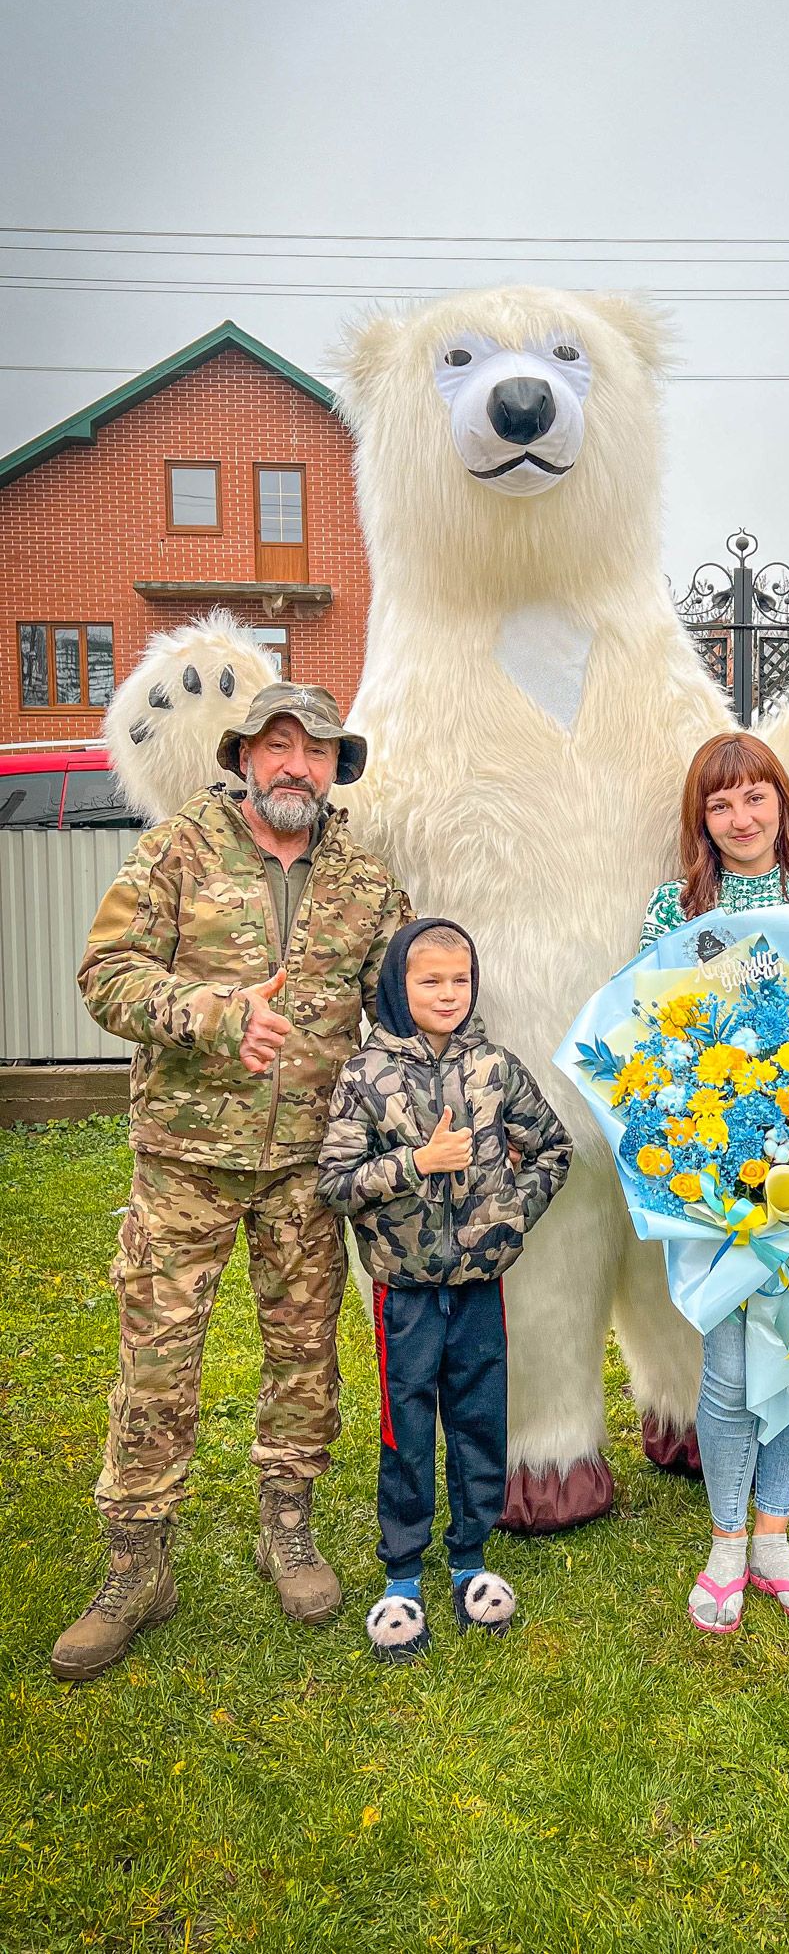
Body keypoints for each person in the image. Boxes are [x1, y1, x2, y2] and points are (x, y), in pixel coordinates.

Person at [52, 683, 411, 1683]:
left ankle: (285, 1530)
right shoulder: (178, 848)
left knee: (303, 1361)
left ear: (338, 768)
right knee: (159, 1363)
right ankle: (137, 1566)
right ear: (244, 756)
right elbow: (106, 975)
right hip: (185, 1164)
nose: (296, 764)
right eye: (278, 745)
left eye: (315, 750)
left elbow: (407, 993)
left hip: (306, 1166)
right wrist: (212, 1013)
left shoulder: (367, 882)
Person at [640, 733, 789, 1634]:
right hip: (712, 1168)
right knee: (730, 1371)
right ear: (702, 819)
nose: (740, 818)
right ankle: (728, 1542)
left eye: (754, 797)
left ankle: (777, 1538)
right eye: (719, 804)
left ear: (782, 801)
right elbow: (658, 1032)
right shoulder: (673, 907)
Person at [318, 918, 572, 1662]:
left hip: (479, 1285)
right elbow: (335, 1181)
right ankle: (401, 1574)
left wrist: (510, 1212)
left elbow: (553, 1146)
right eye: (430, 980)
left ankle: (469, 1560)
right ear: (398, 986)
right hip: (406, 1289)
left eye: (459, 979)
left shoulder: (494, 1066)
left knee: (479, 1415)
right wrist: (416, 1163)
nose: (448, 993)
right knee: (406, 1426)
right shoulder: (366, 1074)